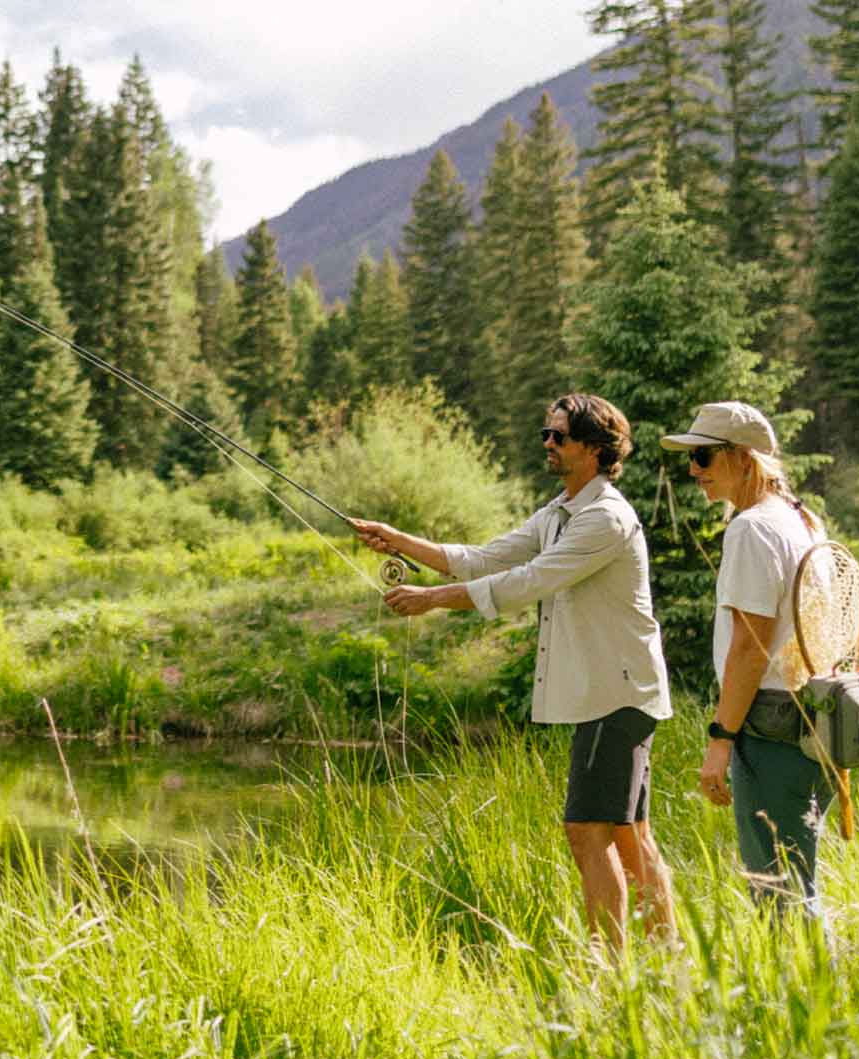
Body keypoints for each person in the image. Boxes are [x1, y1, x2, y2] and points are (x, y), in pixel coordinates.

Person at [348, 393, 674, 947]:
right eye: (545, 434)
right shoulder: (560, 511)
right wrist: (398, 539)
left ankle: (609, 969)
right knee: (628, 833)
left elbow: (527, 583)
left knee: (587, 834)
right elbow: (485, 558)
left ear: (595, 449)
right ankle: (667, 956)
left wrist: (432, 599)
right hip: (615, 694)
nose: (547, 444)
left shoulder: (604, 518)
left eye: (559, 436)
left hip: (615, 697)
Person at [663, 400, 834, 911]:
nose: (694, 472)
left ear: (743, 459)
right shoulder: (800, 520)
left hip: (772, 725)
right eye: (689, 459)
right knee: (797, 883)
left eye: (704, 458)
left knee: (778, 891)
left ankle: (798, 990)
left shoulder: (752, 528)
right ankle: (813, 987)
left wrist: (720, 741)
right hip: (812, 719)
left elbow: (749, 648)